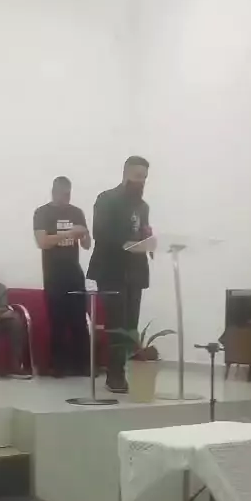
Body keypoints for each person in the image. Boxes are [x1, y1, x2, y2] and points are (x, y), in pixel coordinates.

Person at [87, 156, 152, 394]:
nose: (141, 181)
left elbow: (142, 231)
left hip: (135, 271)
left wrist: (147, 241)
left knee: (131, 324)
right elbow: (99, 232)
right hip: (111, 270)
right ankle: (114, 374)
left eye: (144, 177)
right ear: (125, 174)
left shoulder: (143, 206)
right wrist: (128, 243)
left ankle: (123, 369)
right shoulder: (107, 199)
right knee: (116, 322)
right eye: (137, 176)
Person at [33, 176, 91, 377]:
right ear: (54, 192)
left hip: (74, 272)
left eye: (69, 194)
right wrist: (68, 234)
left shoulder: (77, 212)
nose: (66, 198)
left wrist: (84, 234)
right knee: (57, 320)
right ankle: (58, 365)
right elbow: (42, 242)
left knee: (79, 319)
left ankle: (82, 364)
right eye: (63, 194)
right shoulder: (42, 213)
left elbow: (86, 245)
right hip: (53, 273)